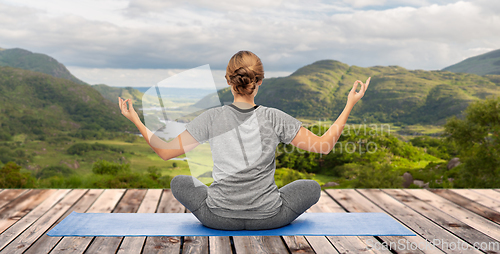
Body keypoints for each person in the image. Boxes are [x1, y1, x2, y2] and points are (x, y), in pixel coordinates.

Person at [118, 50, 370, 230]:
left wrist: (136, 120)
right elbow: (323, 146)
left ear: (228, 81)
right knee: (311, 187)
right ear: (259, 81)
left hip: (217, 218)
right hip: (270, 217)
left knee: (179, 182)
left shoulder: (211, 117)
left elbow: (164, 152)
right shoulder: (274, 117)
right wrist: (349, 103)